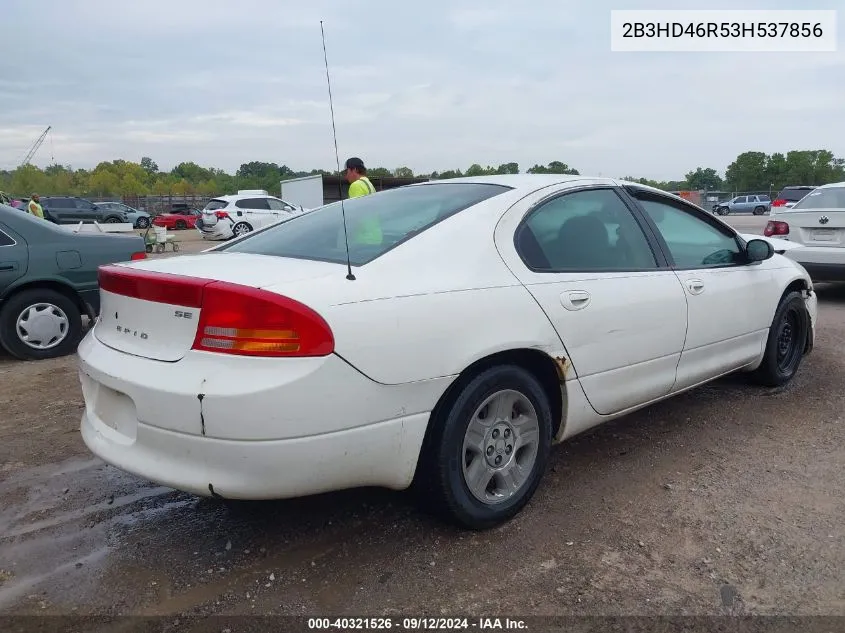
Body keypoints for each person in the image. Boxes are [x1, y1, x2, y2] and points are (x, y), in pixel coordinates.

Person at [343, 157, 381, 245]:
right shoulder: (369, 185)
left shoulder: (356, 185)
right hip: (376, 237)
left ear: (355, 169)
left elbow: (355, 216)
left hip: (363, 239)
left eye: (347, 171)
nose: (346, 176)